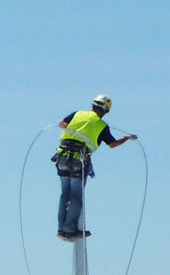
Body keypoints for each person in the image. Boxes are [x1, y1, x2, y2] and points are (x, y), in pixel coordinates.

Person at [53, 95, 136, 241]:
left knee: (65, 193)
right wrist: (127, 138)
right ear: (105, 110)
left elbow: (61, 124)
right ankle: (69, 231)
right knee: (76, 197)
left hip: (62, 157)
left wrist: (77, 130)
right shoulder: (101, 125)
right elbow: (112, 144)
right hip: (78, 160)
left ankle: (61, 229)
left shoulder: (77, 114)